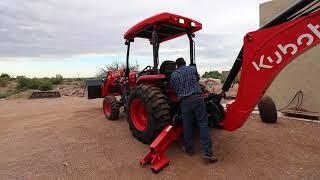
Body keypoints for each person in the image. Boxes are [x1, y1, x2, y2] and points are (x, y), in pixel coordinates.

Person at [170, 57, 217, 162]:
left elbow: (173, 86)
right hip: (197, 99)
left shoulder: (173, 75)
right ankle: (208, 152)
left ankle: (189, 151)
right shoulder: (192, 69)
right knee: (203, 124)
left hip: (185, 102)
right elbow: (196, 79)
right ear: (185, 63)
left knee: (187, 126)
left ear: (176, 65)